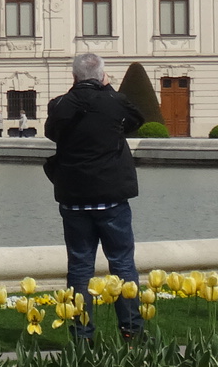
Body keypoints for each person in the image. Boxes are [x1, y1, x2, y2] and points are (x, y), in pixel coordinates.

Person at [43, 52, 145, 341]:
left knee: (79, 267)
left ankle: (82, 333)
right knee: (122, 264)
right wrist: (108, 88)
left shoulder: (60, 105)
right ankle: (131, 330)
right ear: (102, 76)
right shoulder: (114, 102)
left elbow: (52, 133)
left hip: (74, 199)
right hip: (111, 198)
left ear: (74, 77)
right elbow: (137, 119)